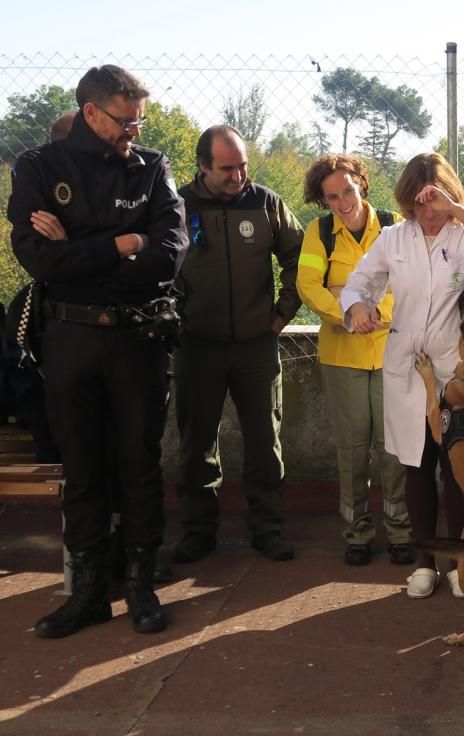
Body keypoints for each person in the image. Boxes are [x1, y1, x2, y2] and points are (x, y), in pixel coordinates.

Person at [7, 64, 187, 637]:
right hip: (71, 339)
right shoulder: (39, 168)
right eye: (124, 120)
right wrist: (123, 242)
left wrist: (81, 245)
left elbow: (171, 252)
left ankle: (139, 585)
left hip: (138, 337)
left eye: (139, 120)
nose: (134, 130)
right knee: (80, 466)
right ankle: (85, 591)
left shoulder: (152, 167)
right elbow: (39, 258)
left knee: (139, 462)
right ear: (90, 112)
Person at [341, 152, 464, 598]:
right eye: (418, 205)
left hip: (458, 372)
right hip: (407, 367)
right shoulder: (394, 239)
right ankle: (424, 563)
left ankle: (461, 562)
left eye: (433, 202)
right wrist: (358, 307)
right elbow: (358, 284)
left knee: (459, 468)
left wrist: (457, 210)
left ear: (449, 197)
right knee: (415, 465)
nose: (427, 213)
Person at [172, 125, 303, 564]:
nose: (238, 175)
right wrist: (175, 317)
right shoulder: (178, 207)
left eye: (243, 164)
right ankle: (198, 529)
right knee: (196, 443)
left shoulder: (266, 203)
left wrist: (283, 312)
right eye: (227, 168)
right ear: (203, 166)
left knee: (265, 441)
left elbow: (300, 260)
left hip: (255, 345)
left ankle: (267, 527)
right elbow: (156, 265)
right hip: (196, 344)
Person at [295, 154, 414, 567]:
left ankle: (400, 531)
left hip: (391, 353)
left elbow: (411, 278)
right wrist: (348, 312)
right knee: (352, 447)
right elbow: (308, 283)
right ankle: (358, 532)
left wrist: (373, 307)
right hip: (342, 353)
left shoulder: (396, 226)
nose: (343, 201)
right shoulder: (320, 233)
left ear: (361, 183)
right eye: (331, 197)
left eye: (347, 190)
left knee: (392, 447)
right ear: (322, 201)